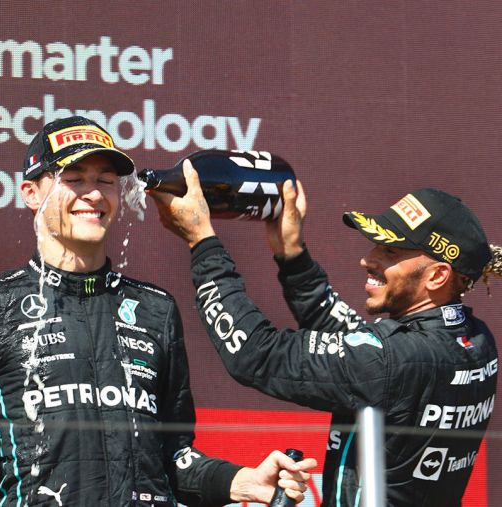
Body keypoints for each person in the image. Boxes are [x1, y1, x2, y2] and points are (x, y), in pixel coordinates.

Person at [0, 117, 316, 507]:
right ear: (31, 194)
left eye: (106, 181)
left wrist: (241, 481)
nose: (94, 194)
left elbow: (171, 457)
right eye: (74, 179)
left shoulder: (155, 309)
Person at [149, 160, 500, 506]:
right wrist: (291, 255)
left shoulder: (396, 358)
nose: (368, 259)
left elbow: (256, 353)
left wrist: (203, 243)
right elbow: (351, 337)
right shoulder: (475, 340)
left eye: (389, 251)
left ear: (437, 276)